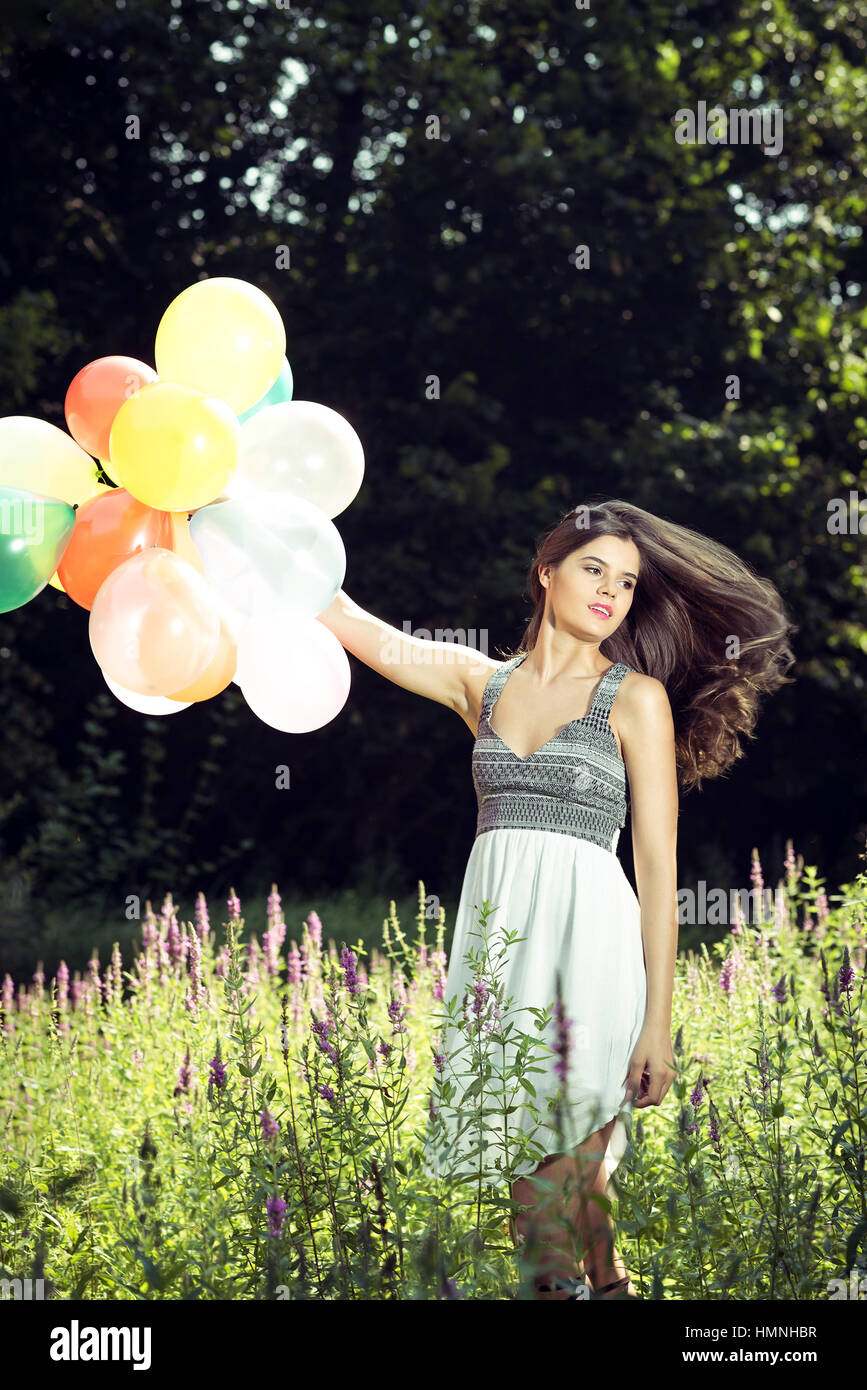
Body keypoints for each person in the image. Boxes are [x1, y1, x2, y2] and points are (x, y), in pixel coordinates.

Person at [315, 498, 796, 1300]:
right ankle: (608, 1286)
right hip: (501, 969)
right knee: (549, 1231)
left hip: (596, 966)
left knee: (557, 1203)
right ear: (546, 572)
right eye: (592, 569)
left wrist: (657, 1026)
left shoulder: (634, 698)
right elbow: (356, 624)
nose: (610, 591)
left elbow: (655, 869)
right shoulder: (479, 684)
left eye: (626, 583)